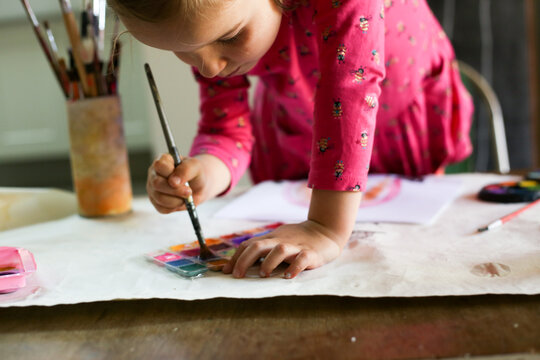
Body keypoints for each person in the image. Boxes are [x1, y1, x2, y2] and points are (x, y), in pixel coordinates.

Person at [108, 0, 473, 279]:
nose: (208, 67)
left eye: (229, 38)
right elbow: (225, 129)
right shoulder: (217, 27)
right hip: (302, 132)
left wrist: (325, 229)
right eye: (184, 51)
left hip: (400, 125)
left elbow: (350, 92)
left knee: (413, 256)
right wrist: (203, 172)